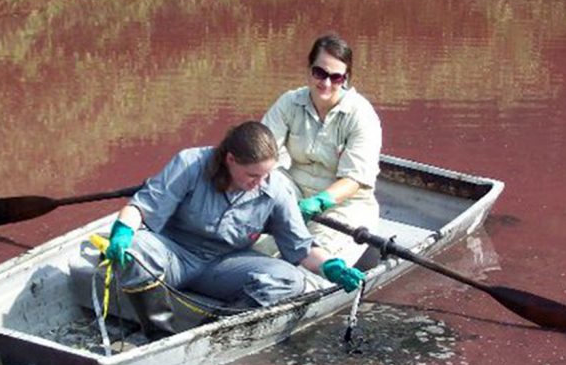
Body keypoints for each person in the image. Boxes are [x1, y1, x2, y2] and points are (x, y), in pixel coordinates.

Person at [103, 121, 365, 340]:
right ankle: (160, 338)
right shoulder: (190, 164)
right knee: (136, 249)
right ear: (230, 160)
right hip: (174, 255)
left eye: (265, 175)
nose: (260, 183)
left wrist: (333, 268)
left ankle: (210, 333)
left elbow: (302, 249)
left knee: (290, 279)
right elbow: (140, 207)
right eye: (253, 175)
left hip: (223, 265)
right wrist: (122, 233)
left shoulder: (276, 188)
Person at [262, 33, 382, 267]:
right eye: (320, 73)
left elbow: (354, 179)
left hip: (344, 206)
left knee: (316, 263)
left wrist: (319, 202)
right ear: (309, 69)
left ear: (346, 79)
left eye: (336, 77)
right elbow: (261, 154)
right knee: (250, 242)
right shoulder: (289, 102)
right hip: (293, 193)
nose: (326, 83)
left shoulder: (362, 116)